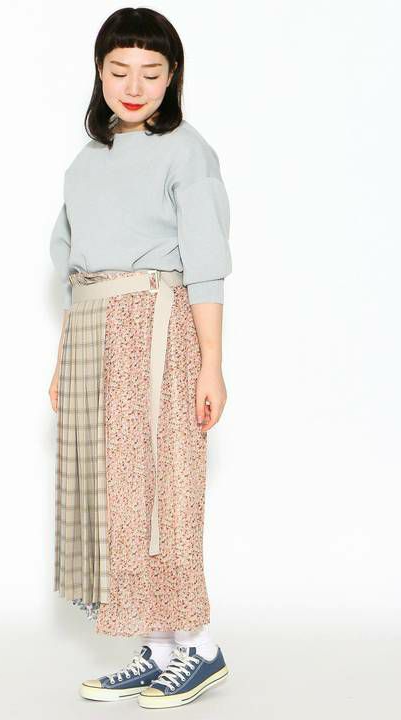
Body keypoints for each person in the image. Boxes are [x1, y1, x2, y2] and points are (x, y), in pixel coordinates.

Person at [48, 7, 232, 709]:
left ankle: (200, 646)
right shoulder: (84, 163)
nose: (134, 86)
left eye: (151, 73)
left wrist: (211, 363)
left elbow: (205, 262)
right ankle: (156, 648)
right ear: (99, 73)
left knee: (166, 487)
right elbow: (74, 269)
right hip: (94, 331)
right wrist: (63, 359)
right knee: (118, 496)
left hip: (157, 325)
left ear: (172, 76)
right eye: (119, 70)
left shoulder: (186, 151)